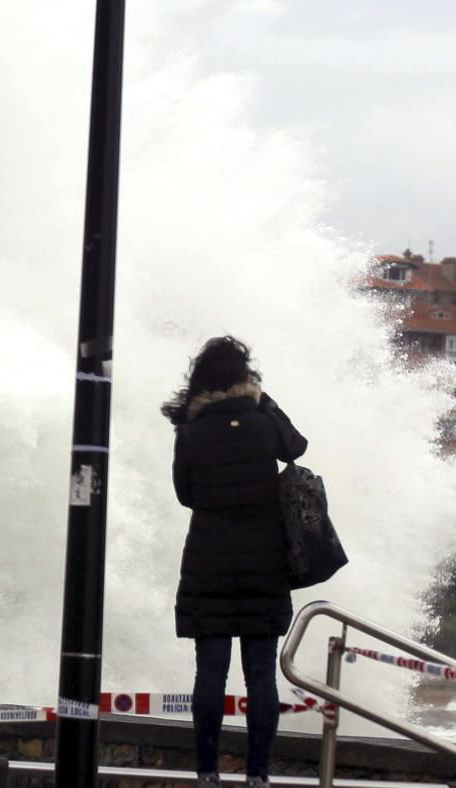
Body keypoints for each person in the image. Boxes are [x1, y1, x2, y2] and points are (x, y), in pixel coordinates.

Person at [162, 336, 308, 788]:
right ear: (246, 380)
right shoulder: (265, 423)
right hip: (265, 562)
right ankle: (258, 776)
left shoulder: (192, 431)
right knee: (261, 674)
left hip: (208, 561)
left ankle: (206, 772)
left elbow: (186, 494)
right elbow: (297, 446)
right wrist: (265, 401)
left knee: (210, 671)